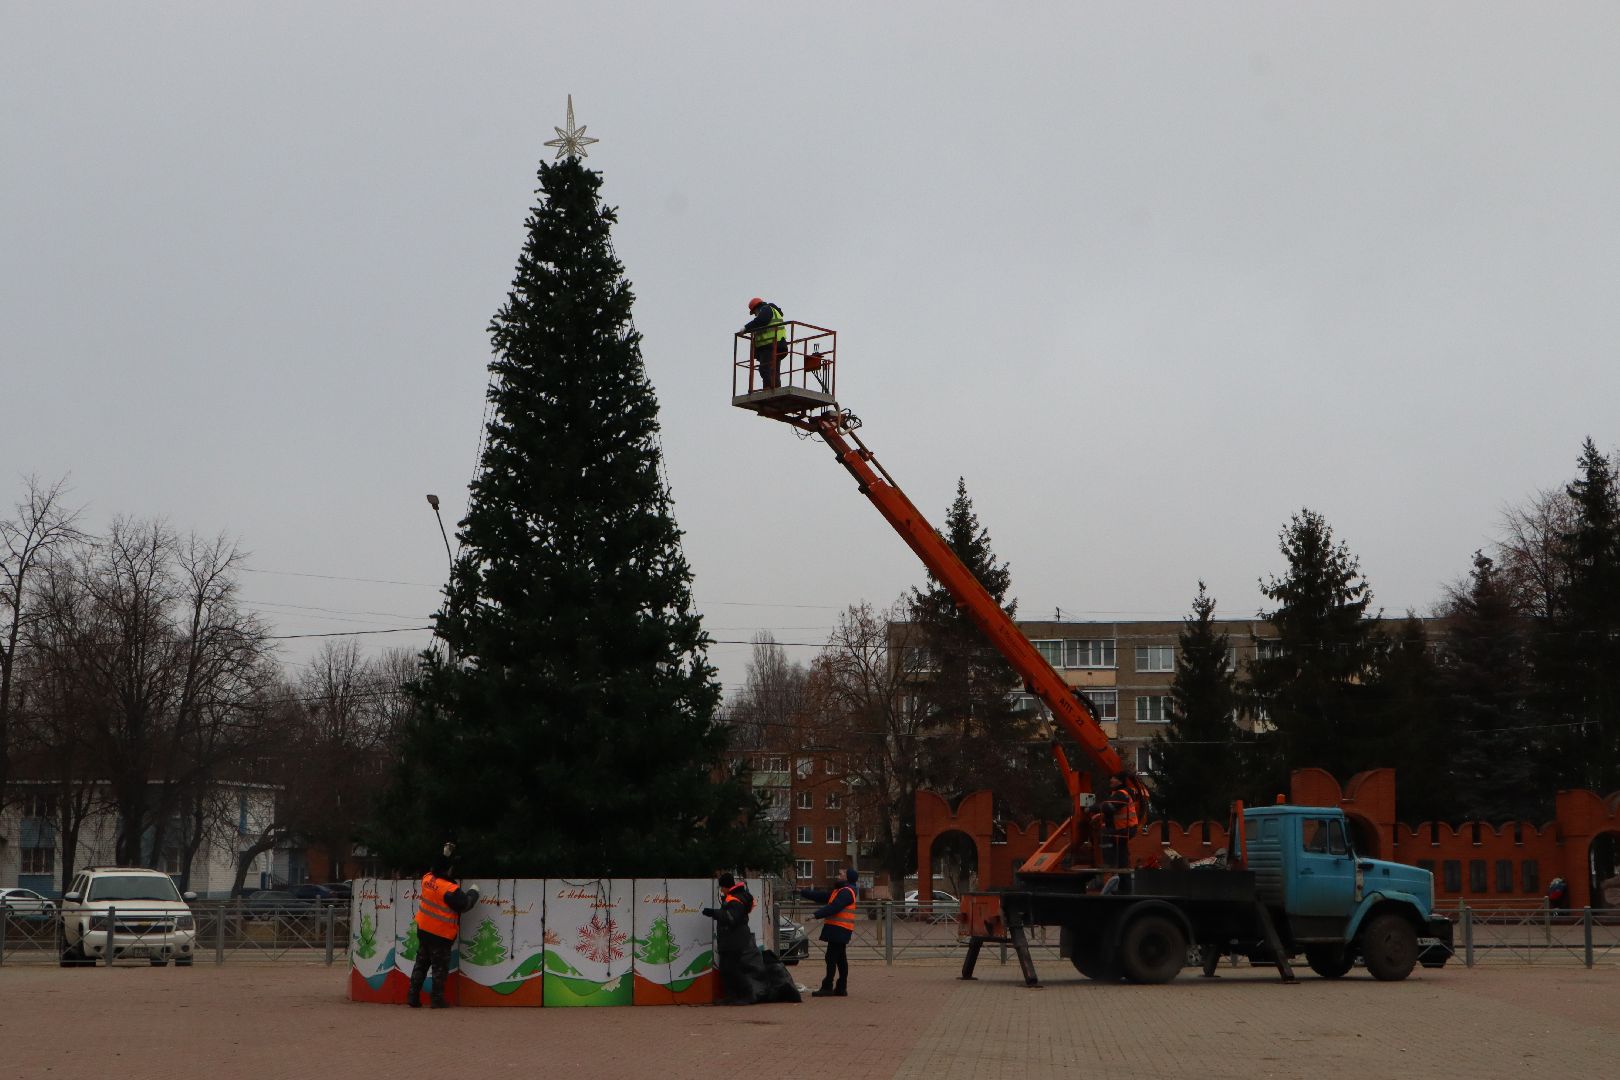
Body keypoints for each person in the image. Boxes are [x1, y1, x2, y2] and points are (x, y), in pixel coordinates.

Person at [408, 843, 480, 1009]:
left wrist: (444, 854)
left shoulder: (427, 879)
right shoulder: (449, 889)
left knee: (421, 964)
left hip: (424, 930)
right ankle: (437, 999)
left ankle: (413, 996)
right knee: (439, 969)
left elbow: (434, 867)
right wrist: (474, 892)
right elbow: (465, 905)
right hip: (440, 935)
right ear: (448, 870)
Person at [798, 867, 859, 997]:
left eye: (841, 874)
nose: (838, 875)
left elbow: (834, 907)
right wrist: (802, 892)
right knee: (840, 958)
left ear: (847, 878)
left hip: (839, 929)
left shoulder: (847, 892)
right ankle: (841, 988)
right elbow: (822, 896)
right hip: (838, 929)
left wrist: (815, 915)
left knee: (831, 957)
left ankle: (827, 987)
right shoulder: (840, 890)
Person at [700, 872, 756, 1004]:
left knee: (732, 968)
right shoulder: (735, 897)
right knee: (726, 968)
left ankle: (747, 994)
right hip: (730, 939)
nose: (721, 890)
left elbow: (731, 918)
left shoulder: (734, 900)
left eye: (721, 887)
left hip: (734, 939)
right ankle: (732, 996)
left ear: (725, 887)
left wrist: (714, 912)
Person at [742, 297, 787, 390]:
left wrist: (746, 328)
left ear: (756, 308)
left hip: (770, 345)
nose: (755, 315)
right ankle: (776, 388)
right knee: (774, 369)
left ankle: (768, 388)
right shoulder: (773, 311)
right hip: (778, 344)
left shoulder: (766, 309)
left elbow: (761, 321)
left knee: (765, 368)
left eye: (754, 312)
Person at [1100, 773, 1137, 869]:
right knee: (1121, 846)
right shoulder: (1121, 793)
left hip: (1125, 827)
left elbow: (1109, 807)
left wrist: (1091, 808)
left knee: (1105, 833)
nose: (1111, 780)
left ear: (1120, 781)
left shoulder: (1121, 793)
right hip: (1127, 827)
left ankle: (1108, 863)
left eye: (1113, 778)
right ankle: (1123, 866)